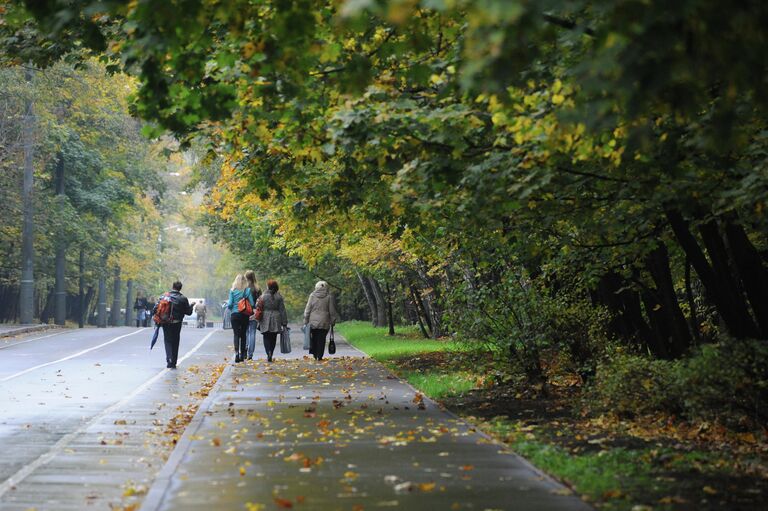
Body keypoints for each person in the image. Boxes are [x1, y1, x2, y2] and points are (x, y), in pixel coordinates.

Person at [153, 281, 194, 369]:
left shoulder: (164, 297)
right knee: (175, 341)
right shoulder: (183, 298)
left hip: (165, 322)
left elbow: (155, 308)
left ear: (172, 287)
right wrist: (191, 306)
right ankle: (174, 362)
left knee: (167, 341)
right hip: (177, 323)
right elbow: (188, 312)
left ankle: (169, 360)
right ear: (180, 288)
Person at [303, 281, 338, 360]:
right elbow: (332, 310)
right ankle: (320, 355)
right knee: (321, 339)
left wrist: (306, 320)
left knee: (314, 337)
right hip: (324, 321)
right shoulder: (329, 297)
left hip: (313, 322)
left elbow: (307, 309)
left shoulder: (312, 296)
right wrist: (333, 321)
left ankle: (315, 354)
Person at [225, 274, 254, 363]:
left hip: (235, 315)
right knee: (243, 334)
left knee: (236, 334)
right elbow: (252, 303)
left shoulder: (232, 291)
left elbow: (229, 304)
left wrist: (232, 307)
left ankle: (236, 354)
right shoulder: (247, 290)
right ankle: (242, 356)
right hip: (244, 315)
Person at [259, 279, 288, 362]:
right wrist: (284, 323)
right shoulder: (279, 297)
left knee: (266, 336)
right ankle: (271, 352)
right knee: (273, 337)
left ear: (268, 287)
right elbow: (282, 310)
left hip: (265, 318)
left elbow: (258, 307)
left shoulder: (263, 296)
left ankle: (268, 353)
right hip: (276, 318)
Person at [244, 270, 262, 360]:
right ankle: (250, 354)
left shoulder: (244, 288)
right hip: (254, 312)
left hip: (245, 312)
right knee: (253, 333)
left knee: (245, 331)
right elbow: (260, 301)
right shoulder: (257, 288)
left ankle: (245, 347)